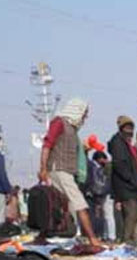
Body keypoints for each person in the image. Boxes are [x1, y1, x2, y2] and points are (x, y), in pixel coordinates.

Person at [38, 97, 101, 248]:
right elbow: (47, 145)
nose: (85, 117)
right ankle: (93, 239)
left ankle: (42, 236)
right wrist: (43, 168)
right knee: (80, 204)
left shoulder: (72, 129)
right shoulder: (59, 122)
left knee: (59, 206)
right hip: (58, 169)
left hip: (66, 171)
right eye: (84, 113)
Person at [108, 115, 137, 243]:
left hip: (129, 185)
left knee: (134, 215)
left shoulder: (124, 143)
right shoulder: (117, 143)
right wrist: (131, 180)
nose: (130, 131)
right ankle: (127, 241)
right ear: (121, 128)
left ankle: (129, 239)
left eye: (131, 128)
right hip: (125, 185)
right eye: (127, 127)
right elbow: (120, 165)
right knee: (131, 214)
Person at [84, 151, 111, 240]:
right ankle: (97, 234)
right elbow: (96, 182)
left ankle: (99, 234)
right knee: (96, 216)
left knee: (98, 216)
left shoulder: (98, 168)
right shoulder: (94, 167)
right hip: (95, 194)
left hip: (96, 194)